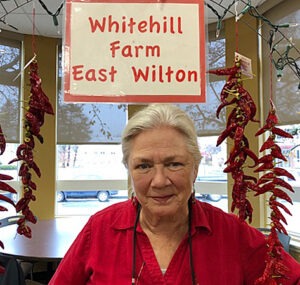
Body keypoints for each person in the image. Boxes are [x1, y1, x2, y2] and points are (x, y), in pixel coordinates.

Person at [49, 104, 300, 285]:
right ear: (129, 170)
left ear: (195, 168)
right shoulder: (100, 229)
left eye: (174, 164)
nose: (159, 181)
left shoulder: (232, 233)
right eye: (144, 166)